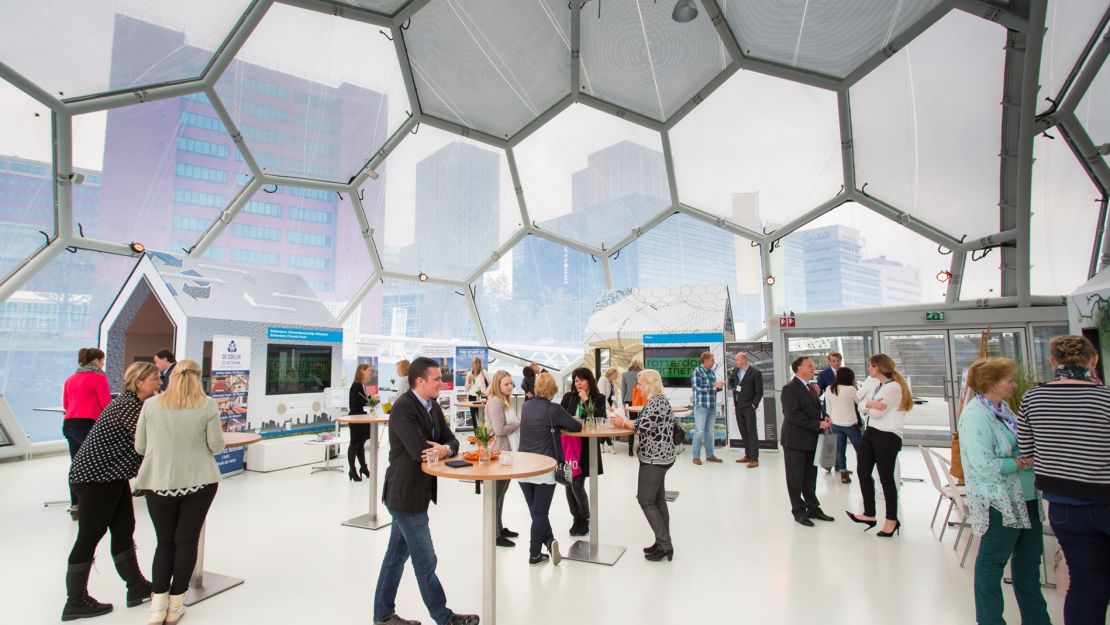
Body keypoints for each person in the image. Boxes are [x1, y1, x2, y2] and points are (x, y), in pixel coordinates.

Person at [373, 357, 477, 625]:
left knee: (395, 557)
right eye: (436, 379)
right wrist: (438, 448)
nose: (441, 383)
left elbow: (451, 439)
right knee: (426, 559)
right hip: (404, 495)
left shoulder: (431, 407)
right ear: (420, 381)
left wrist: (444, 449)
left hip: (417, 494)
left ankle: (383, 616)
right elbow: (419, 450)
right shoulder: (403, 409)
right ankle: (444, 618)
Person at [1018, 335, 1110, 625]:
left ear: (1053, 362)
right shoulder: (1105, 398)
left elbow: (1027, 451)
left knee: (1084, 585)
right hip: (1105, 499)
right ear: (1093, 361)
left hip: (1063, 508)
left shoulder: (1032, 397)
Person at [61, 362, 159, 621]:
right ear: (138, 382)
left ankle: (136, 585)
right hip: (95, 478)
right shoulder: (128, 406)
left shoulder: (136, 405)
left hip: (113, 477)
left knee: (125, 527)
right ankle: (75, 601)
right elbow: (149, 440)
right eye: (154, 379)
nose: (159, 383)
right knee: (90, 536)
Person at [959, 357, 1050, 625]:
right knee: (991, 564)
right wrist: (1021, 462)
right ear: (992, 384)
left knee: (1028, 567)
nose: (1013, 384)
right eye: (1008, 380)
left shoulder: (1003, 409)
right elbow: (982, 465)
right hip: (1000, 501)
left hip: (1027, 497)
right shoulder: (975, 416)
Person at [133, 359, 224, 624]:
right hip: (199, 481)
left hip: (159, 482)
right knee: (187, 540)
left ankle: (157, 604)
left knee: (165, 542)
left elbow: (140, 446)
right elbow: (216, 444)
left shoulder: (151, 405)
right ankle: (176, 604)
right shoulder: (207, 405)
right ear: (198, 378)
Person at [609, 369, 677, 561]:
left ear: (649, 383)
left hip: (654, 458)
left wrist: (622, 422)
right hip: (662, 456)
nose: (637, 387)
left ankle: (665, 545)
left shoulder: (655, 402)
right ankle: (662, 541)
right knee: (658, 500)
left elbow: (641, 426)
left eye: (640, 384)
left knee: (646, 501)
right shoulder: (659, 401)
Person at [517, 372, 582, 565]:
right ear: (552, 390)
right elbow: (575, 426)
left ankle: (549, 540)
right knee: (540, 513)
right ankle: (534, 554)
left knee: (535, 510)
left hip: (523, 465)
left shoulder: (526, 406)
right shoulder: (553, 409)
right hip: (544, 467)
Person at [847, 353, 912, 537]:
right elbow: (861, 406)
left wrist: (868, 407)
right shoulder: (878, 385)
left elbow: (877, 413)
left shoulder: (893, 388)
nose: (869, 369)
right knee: (863, 471)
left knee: (886, 479)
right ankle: (869, 513)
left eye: (871, 366)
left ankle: (891, 520)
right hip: (871, 432)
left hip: (887, 436)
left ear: (878, 367)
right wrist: (870, 405)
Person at [780, 356, 834, 526]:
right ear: (798, 368)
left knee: (810, 477)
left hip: (811, 438)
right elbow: (792, 414)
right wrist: (817, 423)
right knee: (795, 477)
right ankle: (798, 511)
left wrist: (823, 417)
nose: (813, 368)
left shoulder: (809, 387)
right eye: (809, 365)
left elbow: (814, 409)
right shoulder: (790, 388)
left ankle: (813, 508)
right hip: (795, 440)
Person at [62, 347, 112, 519]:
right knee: (96, 464)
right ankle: (95, 502)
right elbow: (106, 404)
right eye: (102, 360)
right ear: (96, 361)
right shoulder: (98, 377)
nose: (103, 364)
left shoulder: (70, 379)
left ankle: (76, 503)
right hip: (88, 425)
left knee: (76, 465)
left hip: (69, 425)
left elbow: (66, 404)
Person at [559, 367, 607, 536]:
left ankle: (584, 519)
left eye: (581, 380)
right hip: (569, 447)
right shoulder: (568, 397)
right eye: (576, 380)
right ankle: (576, 519)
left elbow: (600, 419)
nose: (578, 383)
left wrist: (586, 400)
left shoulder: (599, 398)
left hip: (586, 447)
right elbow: (560, 417)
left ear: (589, 381)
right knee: (568, 484)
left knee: (577, 485)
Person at [486, 370, 521, 548]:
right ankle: (494, 532)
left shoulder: (503, 401)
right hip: (499, 453)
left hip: (507, 452)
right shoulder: (495, 402)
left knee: (502, 493)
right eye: (506, 384)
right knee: (497, 494)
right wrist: (518, 423)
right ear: (498, 385)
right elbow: (499, 430)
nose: (510, 387)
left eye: (511, 384)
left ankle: (499, 527)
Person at [822, 367, 862, 484]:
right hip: (850, 424)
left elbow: (828, 408)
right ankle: (863, 470)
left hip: (835, 423)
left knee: (840, 449)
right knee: (860, 449)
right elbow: (859, 402)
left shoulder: (830, 389)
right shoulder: (851, 389)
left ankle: (843, 473)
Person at [728, 352, 764, 468]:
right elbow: (731, 381)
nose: (735, 362)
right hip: (738, 406)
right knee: (743, 432)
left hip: (749, 407)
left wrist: (754, 405)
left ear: (744, 360)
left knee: (751, 432)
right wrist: (733, 387)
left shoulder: (755, 373)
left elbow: (759, 392)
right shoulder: (735, 371)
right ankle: (747, 455)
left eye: (737, 360)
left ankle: (754, 459)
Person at [690, 351, 725, 465]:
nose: (714, 362)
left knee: (709, 432)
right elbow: (697, 387)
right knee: (699, 432)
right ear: (705, 360)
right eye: (712, 360)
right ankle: (696, 457)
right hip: (701, 406)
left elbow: (713, 389)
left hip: (712, 407)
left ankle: (710, 455)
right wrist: (714, 385)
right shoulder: (697, 371)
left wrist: (720, 386)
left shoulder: (711, 373)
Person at [348, 363, 374, 482]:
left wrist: (371, 400)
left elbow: (362, 400)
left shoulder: (362, 385)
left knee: (360, 444)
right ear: (362, 371)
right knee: (354, 444)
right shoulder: (356, 385)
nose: (370, 372)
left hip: (362, 418)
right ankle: (352, 470)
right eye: (368, 370)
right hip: (356, 418)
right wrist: (369, 401)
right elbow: (355, 403)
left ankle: (363, 467)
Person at [622, 359, 645, 457]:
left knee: (631, 423)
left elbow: (623, 389)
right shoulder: (643, 374)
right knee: (642, 423)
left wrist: (623, 402)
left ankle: (630, 449)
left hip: (630, 400)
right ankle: (641, 448)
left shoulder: (625, 374)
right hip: (642, 400)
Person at [464, 357, 489, 427]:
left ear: (478, 364)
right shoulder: (469, 374)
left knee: (482, 416)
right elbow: (466, 388)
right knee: (474, 417)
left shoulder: (484, 372)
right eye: (472, 363)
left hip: (482, 396)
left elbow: (490, 383)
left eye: (474, 363)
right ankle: (476, 434)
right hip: (472, 396)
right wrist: (469, 380)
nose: (472, 364)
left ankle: (483, 434)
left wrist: (486, 393)